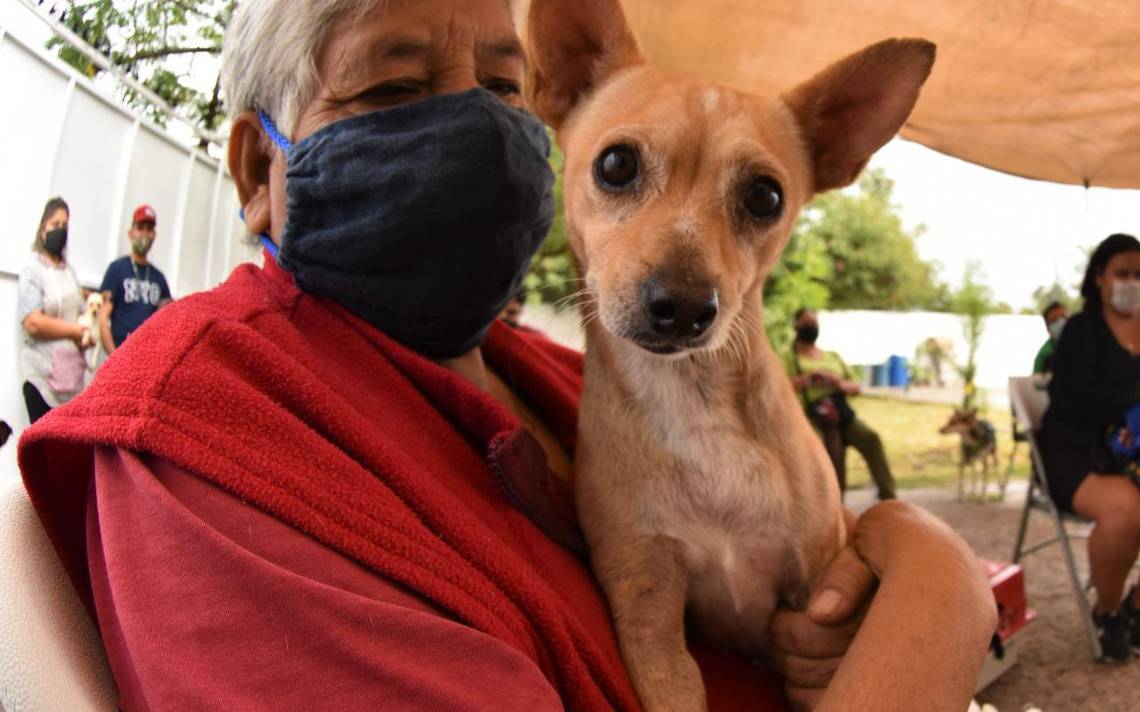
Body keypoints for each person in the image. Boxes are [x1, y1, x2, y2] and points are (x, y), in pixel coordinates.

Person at [18, 1, 995, 709]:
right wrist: (943, 600)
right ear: (258, 170)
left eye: (503, 87)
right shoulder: (214, 426)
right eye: (393, 87)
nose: (480, 134)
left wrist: (894, 552)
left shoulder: (562, 373)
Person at [1039, 233, 1140, 663]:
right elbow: (1074, 396)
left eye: (1139, 275)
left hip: (1130, 451)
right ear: (1099, 277)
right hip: (1073, 450)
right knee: (1127, 513)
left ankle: (1137, 606)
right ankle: (1110, 612)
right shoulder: (1080, 330)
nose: (1131, 283)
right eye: (1122, 273)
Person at [785, 308, 898, 500]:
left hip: (840, 413)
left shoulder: (832, 356)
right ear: (796, 326)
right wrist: (809, 379)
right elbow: (781, 387)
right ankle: (819, 502)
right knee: (816, 450)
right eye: (807, 322)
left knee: (871, 438)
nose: (812, 326)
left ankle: (889, 496)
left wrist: (837, 382)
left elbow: (855, 386)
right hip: (811, 416)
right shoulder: (789, 358)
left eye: (814, 322)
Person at [17, 197, 91, 424]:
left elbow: (81, 312)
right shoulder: (33, 270)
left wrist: (87, 331)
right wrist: (74, 331)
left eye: (65, 226)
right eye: (55, 225)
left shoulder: (69, 272)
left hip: (72, 384)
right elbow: (33, 322)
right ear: (43, 229)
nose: (61, 231)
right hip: (42, 383)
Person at [98, 205, 172, 356]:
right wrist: (114, 359)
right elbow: (102, 319)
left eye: (149, 229)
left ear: (154, 235)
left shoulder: (159, 278)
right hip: (120, 354)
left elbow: (167, 323)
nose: (144, 234)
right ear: (131, 233)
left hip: (146, 358)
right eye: (140, 228)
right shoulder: (116, 269)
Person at [1032, 300, 1069, 375]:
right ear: (1047, 327)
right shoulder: (1045, 355)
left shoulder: (1084, 345)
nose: (1061, 322)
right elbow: (1037, 384)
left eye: (1064, 317)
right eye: (1054, 320)